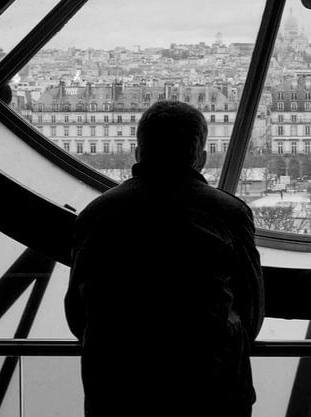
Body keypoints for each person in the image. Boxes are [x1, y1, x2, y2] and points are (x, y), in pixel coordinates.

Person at [65, 101, 264, 417]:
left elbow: (78, 314)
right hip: (211, 387)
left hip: (119, 388)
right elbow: (251, 312)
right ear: (201, 157)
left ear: (138, 151)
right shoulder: (229, 215)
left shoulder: (98, 214)